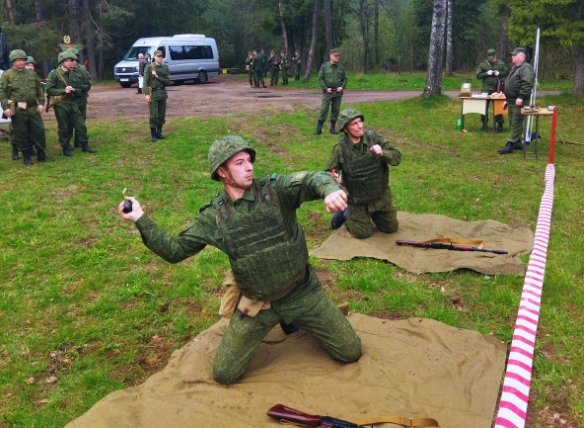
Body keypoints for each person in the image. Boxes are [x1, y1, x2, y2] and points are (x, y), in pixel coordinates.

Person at [118, 136, 362, 385]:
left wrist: (330, 190)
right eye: (239, 163)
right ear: (222, 172)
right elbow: (175, 250)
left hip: (303, 293)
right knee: (225, 374)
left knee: (351, 352)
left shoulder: (275, 191)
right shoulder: (213, 216)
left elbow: (312, 178)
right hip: (258, 303)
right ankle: (288, 321)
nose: (249, 167)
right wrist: (140, 218)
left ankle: (295, 319)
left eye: (249, 161)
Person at [325, 108, 401, 238]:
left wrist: (383, 153)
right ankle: (345, 212)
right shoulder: (340, 149)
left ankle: (374, 215)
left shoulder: (375, 138)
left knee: (391, 228)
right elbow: (331, 170)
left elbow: (397, 157)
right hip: (357, 202)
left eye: (360, 122)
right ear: (345, 129)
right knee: (362, 233)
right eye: (354, 124)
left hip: (381, 198)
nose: (360, 126)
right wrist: (337, 177)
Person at [0, 49, 50, 165]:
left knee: (39, 130)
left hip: (33, 108)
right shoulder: (7, 75)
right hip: (18, 108)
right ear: (13, 62)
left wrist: (41, 103)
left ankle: (41, 153)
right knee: (21, 132)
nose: (21, 63)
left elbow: (39, 89)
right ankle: (26, 155)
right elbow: (2, 94)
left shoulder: (31, 73)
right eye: (19, 60)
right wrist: (6, 107)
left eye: (23, 60)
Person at [46, 50, 96, 156]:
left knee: (80, 124)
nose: (70, 62)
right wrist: (63, 90)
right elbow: (49, 89)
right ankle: (65, 147)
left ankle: (84, 145)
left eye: (71, 60)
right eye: (67, 60)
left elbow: (83, 84)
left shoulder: (73, 72)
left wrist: (75, 90)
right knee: (64, 127)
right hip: (61, 104)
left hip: (73, 102)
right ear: (61, 62)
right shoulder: (54, 74)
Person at [498, 47, 535, 154]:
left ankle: (510, 144)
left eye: (514, 55)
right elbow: (510, 84)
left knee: (516, 122)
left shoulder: (526, 67)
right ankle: (517, 142)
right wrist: (506, 99)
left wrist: (521, 97)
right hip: (512, 100)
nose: (512, 57)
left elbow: (527, 83)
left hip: (519, 100)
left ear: (521, 56)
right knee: (512, 122)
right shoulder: (516, 67)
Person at [68, 48, 94, 151]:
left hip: (81, 99)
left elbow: (88, 83)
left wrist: (79, 89)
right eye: (70, 60)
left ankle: (78, 141)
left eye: (75, 59)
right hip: (69, 100)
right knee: (69, 123)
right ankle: (67, 143)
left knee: (81, 121)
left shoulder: (82, 69)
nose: (73, 62)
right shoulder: (63, 71)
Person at [475, 48, 508, 132]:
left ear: (495, 56)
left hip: (497, 88)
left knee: (498, 107)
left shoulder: (500, 63)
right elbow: (478, 76)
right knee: (483, 107)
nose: (491, 60)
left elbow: (506, 72)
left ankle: (500, 124)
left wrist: (499, 73)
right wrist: (486, 73)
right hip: (486, 88)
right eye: (490, 58)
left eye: (492, 58)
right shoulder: (483, 64)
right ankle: (484, 124)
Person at [316, 48, 347, 135]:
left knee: (335, 109)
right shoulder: (324, 66)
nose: (337, 57)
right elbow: (320, 78)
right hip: (328, 92)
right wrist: (326, 88)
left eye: (338, 56)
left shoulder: (341, 67)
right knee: (324, 109)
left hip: (337, 93)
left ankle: (332, 128)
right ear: (331, 56)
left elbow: (345, 79)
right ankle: (319, 128)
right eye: (335, 56)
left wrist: (342, 87)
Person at [143, 49, 170, 142]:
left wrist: (158, 76)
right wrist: (146, 94)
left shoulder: (165, 68)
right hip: (153, 94)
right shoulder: (149, 67)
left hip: (162, 93)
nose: (160, 58)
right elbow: (145, 82)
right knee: (154, 115)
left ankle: (159, 132)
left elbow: (167, 81)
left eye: (161, 56)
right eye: (158, 56)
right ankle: (153, 134)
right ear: (154, 57)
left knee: (161, 115)